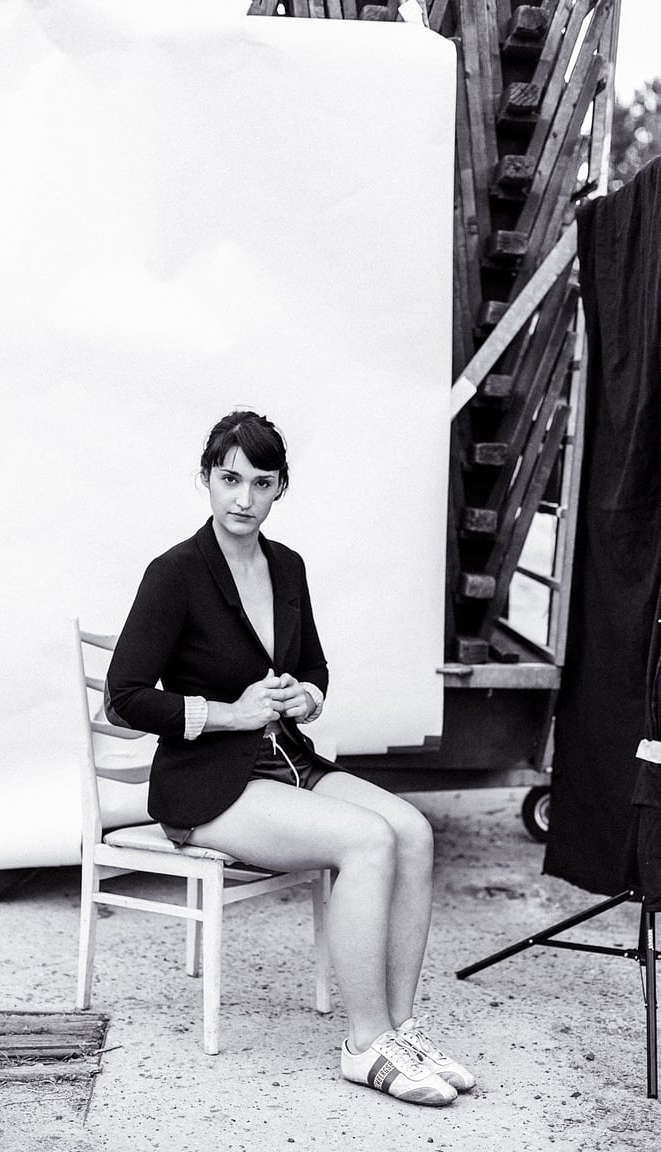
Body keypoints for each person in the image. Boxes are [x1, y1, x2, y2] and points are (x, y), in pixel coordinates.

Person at [106, 409, 475, 1107]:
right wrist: (231, 713)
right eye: (229, 479)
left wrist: (306, 695)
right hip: (206, 785)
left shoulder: (287, 567)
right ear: (207, 481)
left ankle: (401, 1027)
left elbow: (313, 666)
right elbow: (123, 698)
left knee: (414, 834)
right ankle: (365, 1046)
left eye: (261, 482)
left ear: (281, 488)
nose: (243, 498)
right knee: (365, 841)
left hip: (289, 760)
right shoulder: (176, 573)